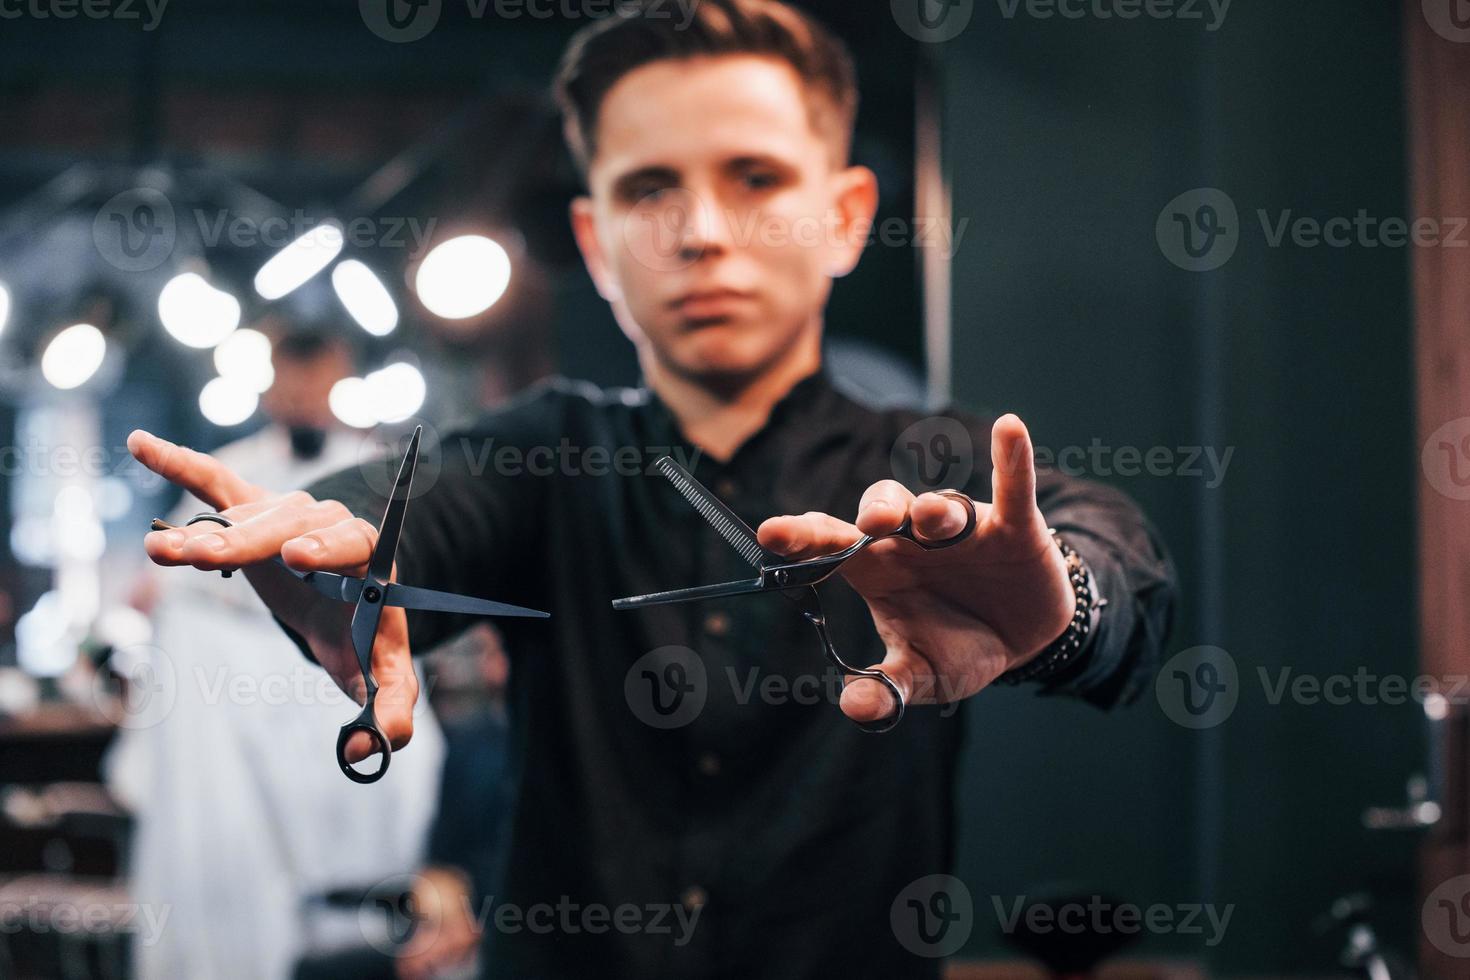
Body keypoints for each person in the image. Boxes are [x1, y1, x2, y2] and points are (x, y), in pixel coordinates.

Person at [125, 2, 1178, 977]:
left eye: (756, 177)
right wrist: (335, 554)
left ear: (849, 214)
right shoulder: (542, 450)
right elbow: (430, 499)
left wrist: (1069, 602)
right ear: (595, 240)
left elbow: (1112, 560)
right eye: (649, 187)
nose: (701, 231)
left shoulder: (928, 468)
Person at [107, 327, 445, 980]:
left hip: (343, 680)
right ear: (267, 386)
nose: (302, 395)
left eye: (316, 378)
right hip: (236, 702)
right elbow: (164, 580)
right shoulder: (235, 469)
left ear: (340, 379)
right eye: (290, 380)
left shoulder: (380, 471)